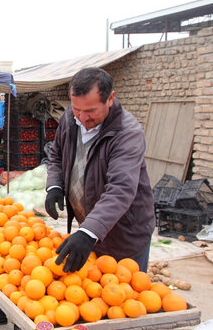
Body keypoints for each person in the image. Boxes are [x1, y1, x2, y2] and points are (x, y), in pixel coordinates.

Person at [45, 67, 155, 274]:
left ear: (110, 98)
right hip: (93, 229)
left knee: (125, 298)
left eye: (90, 111)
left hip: (124, 235)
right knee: (92, 294)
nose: (82, 118)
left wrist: (88, 232)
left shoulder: (127, 134)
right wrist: (54, 185)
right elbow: (57, 154)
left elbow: (120, 189)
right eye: (77, 109)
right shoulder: (71, 117)